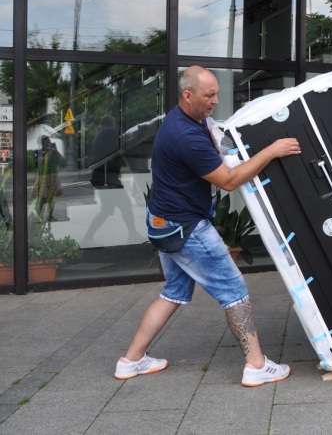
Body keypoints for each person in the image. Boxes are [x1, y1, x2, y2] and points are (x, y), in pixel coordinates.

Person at [115, 65, 302, 387]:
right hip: (187, 229)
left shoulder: (185, 119)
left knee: (173, 292)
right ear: (188, 95)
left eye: (216, 93)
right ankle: (256, 365)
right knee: (235, 294)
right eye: (209, 95)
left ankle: (130, 361)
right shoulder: (185, 135)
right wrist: (271, 151)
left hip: (163, 221)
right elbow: (229, 181)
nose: (215, 100)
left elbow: (219, 136)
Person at [84, 114, 138, 245]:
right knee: (107, 209)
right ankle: (87, 238)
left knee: (125, 205)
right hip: (107, 177)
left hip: (107, 176)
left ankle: (133, 234)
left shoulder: (101, 134)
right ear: (111, 123)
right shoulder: (110, 133)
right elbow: (125, 145)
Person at [32, 136, 62, 222]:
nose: (49, 144)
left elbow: (60, 159)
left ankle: (50, 216)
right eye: (47, 142)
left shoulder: (53, 150)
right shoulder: (39, 151)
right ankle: (38, 216)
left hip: (52, 175)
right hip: (43, 176)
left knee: (52, 197)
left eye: (49, 142)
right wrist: (49, 152)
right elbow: (40, 162)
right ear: (42, 143)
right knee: (42, 197)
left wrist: (55, 149)